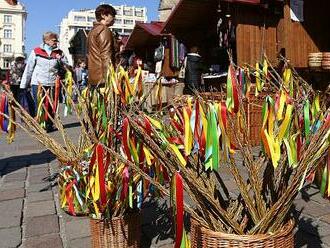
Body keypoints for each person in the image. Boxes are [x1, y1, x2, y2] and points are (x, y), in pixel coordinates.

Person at [20, 31, 67, 132]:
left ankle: (49, 125)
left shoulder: (59, 52)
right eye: (54, 40)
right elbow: (29, 69)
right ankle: (40, 126)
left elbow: (67, 65)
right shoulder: (36, 51)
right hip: (38, 83)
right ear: (46, 40)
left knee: (51, 105)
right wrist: (23, 85)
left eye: (56, 40)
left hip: (53, 83)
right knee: (40, 105)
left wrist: (61, 59)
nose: (56, 42)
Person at [87, 4, 117, 86]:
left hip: (93, 77)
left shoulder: (92, 31)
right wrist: (110, 79)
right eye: (112, 15)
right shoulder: (104, 30)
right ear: (103, 15)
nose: (114, 18)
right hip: (103, 79)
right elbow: (106, 55)